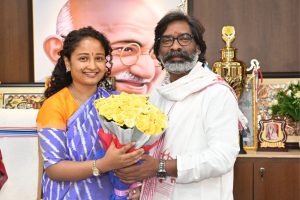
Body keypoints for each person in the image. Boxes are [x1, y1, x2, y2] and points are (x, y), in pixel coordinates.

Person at [116, 11, 240, 200]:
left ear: (198, 47)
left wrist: (160, 167)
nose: (175, 46)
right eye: (166, 40)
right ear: (157, 51)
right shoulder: (158, 92)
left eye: (184, 39)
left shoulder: (216, 92)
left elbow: (222, 158)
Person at [36, 26, 144, 199]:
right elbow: (54, 169)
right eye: (83, 58)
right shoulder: (54, 106)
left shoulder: (117, 101)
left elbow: (132, 150)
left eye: (99, 58)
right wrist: (103, 164)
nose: (92, 66)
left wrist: (134, 184)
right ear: (67, 62)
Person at [42, 0, 168, 94]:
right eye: (126, 49)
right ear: (59, 53)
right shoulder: (60, 106)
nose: (148, 72)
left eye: (155, 52)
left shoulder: (159, 116)